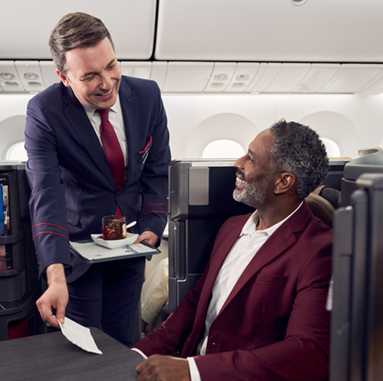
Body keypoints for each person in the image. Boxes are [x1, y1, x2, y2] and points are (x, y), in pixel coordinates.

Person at [134, 120, 332, 381]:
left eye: (250, 158)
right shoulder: (232, 227)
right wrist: (139, 353)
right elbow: (195, 302)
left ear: (283, 182)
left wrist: (194, 371)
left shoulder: (320, 250)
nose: (237, 163)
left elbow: (308, 354)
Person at [25, 12, 171, 346]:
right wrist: (55, 273)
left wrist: (152, 224)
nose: (106, 83)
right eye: (90, 76)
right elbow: (46, 194)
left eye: (111, 66)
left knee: (123, 342)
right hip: (77, 250)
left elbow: (157, 169)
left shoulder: (147, 97)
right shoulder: (44, 112)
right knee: (84, 349)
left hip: (130, 245)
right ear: (64, 77)